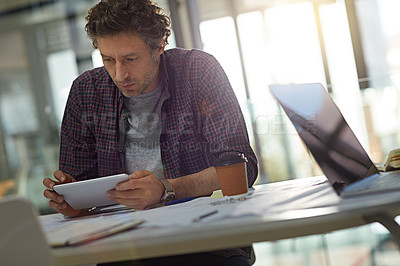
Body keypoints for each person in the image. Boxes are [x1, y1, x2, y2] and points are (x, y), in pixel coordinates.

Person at [43, 0, 258, 265]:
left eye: (130, 59)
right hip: (123, 245)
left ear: (159, 47)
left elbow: (242, 167)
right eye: (108, 60)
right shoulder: (85, 91)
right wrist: (70, 202)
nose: (119, 74)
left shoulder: (199, 71)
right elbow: (79, 187)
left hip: (205, 241)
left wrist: (166, 188)